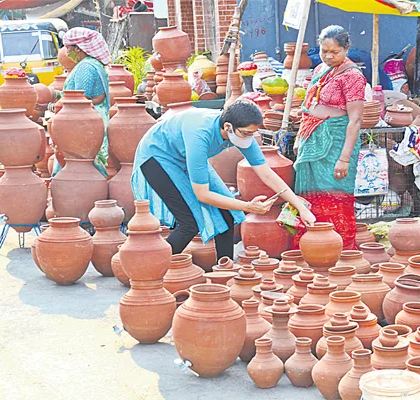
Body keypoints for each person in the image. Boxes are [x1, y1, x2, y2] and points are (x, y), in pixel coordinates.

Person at [131, 100, 316, 257]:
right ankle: (151, 270)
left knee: (227, 215)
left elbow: (267, 174)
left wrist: (301, 208)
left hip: (184, 155)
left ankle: (224, 272)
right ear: (228, 127)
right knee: (189, 222)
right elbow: (202, 195)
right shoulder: (200, 135)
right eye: (246, 133)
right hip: (157, 156)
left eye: (253, 133)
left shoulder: (241, 133)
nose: (249, 138)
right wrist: (247, 207)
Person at [294, 25, 366, 250]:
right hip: (312, 137)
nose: (328, 56)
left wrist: (344, 158)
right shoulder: (319, 70)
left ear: (347, 49)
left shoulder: (353, 76)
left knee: (335, 195)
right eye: (324, 51)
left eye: (334, 52)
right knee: (311, 197)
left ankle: (341, 250)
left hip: (336, 141)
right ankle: (313, 246)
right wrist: (300, 137)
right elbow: (310, 104)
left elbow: (355, 120)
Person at [53, 27, 111, 176]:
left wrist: (56, 98)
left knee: (80, 162)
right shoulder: (93, 64)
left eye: (68, 47)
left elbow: (79, 99)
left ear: (78, 49)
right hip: (92, 118)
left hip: (83, 121)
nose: (67, 52)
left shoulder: (86, 67)